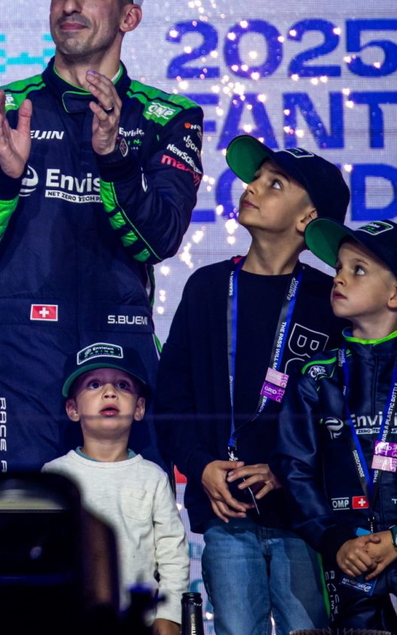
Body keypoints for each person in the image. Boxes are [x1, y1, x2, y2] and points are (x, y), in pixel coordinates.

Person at [0, 0, 203, 472]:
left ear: (129, 17)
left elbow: (159, 241)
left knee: (126, 545)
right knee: (21, 538)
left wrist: (116, 161)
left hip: (122, 358)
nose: (70, 3)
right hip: (23, 358)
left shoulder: (169, 117)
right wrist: (3, 183)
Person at [154, 138, 348, 635]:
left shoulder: (330, 303)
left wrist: (289, 471)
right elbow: (172, 398)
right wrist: (201, 468)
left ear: (307, 219)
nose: (254, 188)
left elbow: (343, 416)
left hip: (306, 521)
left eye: (275, 184)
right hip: (226, 515)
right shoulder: (207, 286)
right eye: (256, 178)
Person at [280, 216, 397, 631]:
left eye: (358, 269)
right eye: (339, 269)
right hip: (349, 565)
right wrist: (337, 541)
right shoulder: (316, 376)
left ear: (395, 295)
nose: (340, 278)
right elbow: (296, 472)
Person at [45, 343, 190, 634]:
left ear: (139, 408)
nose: (109, 393)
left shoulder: (152, 477)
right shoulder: (55, 476)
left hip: (138, 622)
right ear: (73, 409)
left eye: (122, 385)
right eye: (94, 384)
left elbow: (173, 556)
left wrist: (170, 615)